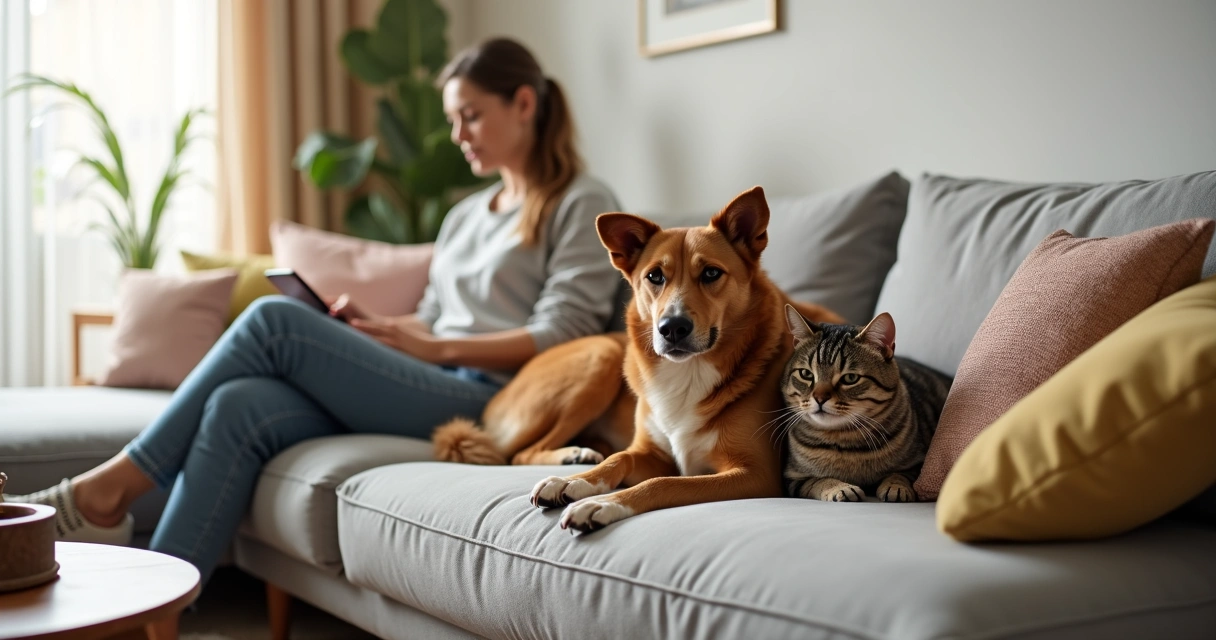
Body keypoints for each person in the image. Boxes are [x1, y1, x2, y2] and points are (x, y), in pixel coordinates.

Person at [8, 37, 622, 584]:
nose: (458, 135)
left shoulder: (579, 201)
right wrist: (373, 330)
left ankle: (107, 489)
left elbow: (562, 331)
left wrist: (435, 349)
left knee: (273, 322)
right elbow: (434, 316)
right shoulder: (465, 216)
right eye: (453, 120)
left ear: (523, 104)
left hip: (498, 399)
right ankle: (152, 612)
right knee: (237, 404)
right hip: (434, 376)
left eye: (471, 116)